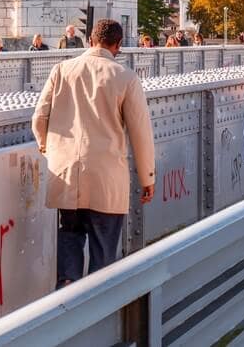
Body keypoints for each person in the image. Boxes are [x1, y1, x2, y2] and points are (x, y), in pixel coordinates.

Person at [32, 19, 155, 288]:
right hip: (106, 178)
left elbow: (39, 119)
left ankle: (66, 289)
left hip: (67, 173)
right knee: (103, 249)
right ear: (118, 45)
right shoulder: (125, 77)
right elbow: (140, 133)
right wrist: (147, 177)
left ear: (89, 40)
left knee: (70, 233)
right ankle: (97, 305)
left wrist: (48, 150)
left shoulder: (62, 70)